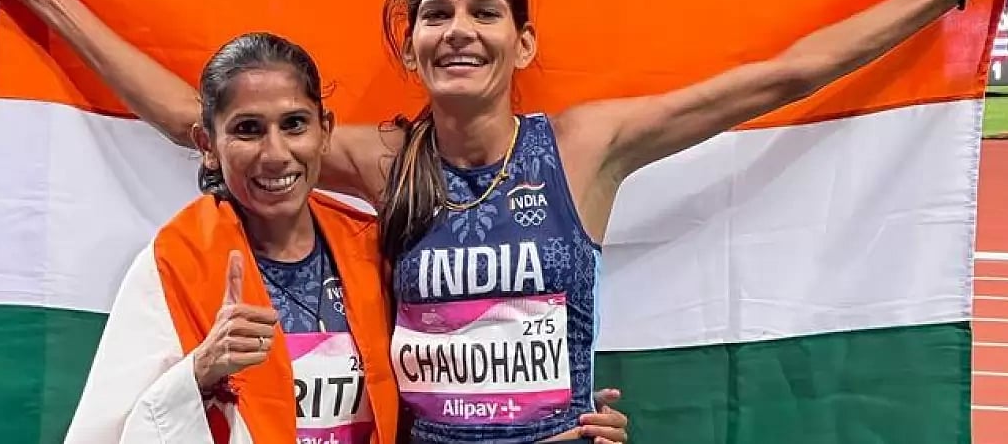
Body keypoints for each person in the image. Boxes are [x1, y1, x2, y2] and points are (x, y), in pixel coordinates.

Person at [0, 0, 1008, 443]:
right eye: (437, 12)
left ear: (522, 42)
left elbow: (782, 77)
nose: (460, 29)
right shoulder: (381, 157)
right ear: (408, 44)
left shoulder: (583, 148)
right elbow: (193, 119)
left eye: (485, 11)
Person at [61, 32, 630, 444]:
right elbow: (107, 431)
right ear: (207, 143)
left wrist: (555, 417)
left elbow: (442, 382)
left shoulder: (370, 249)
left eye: (294, 124)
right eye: (247, 130)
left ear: (323, 132)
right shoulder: (176, 263)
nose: (275, 154)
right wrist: (200, 372)